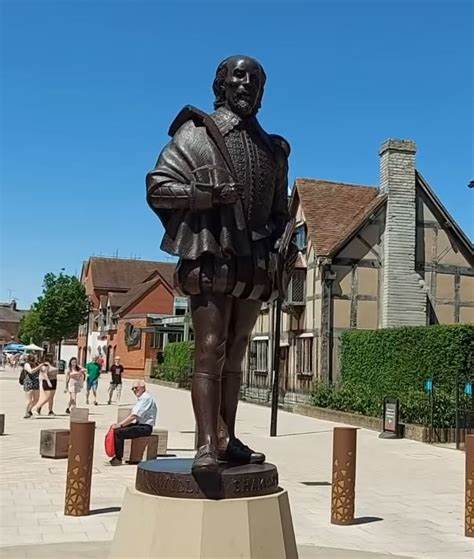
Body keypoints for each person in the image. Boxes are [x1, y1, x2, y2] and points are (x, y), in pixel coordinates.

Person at [146, 55, 290, 472]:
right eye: (239, 77)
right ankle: (207, 442)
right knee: (210, 348)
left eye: (255, 80)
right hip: (212, 252)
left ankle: (227, 437)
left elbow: (280, 212)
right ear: (221, 85)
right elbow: (157, 187)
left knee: (238, 350)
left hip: (254, 261)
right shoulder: (196, 135)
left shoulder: (273, 150)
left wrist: (281, 241)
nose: (247, 85)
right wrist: (203, 195)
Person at [109, 380, 157, 466]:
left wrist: (120, 424)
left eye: (136, 388)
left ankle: (118, 458)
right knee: (119, 430)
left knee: (119, 432)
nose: (134, 390)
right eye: (133, 389)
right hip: (140, 425)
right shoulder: (142, 398)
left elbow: (134, 415)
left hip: (145, 427)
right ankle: (116, 455)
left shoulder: (146, 398)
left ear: (143, 388)